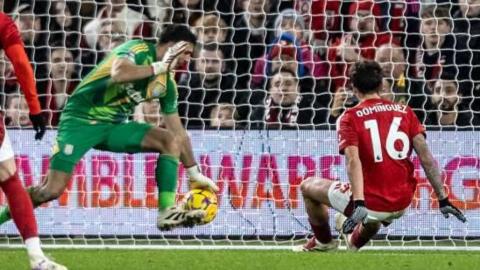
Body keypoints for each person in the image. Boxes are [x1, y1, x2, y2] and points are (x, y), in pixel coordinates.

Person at [0, 24, 219, 232]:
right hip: (80, 120)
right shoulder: (137, 48)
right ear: (172, 45)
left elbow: (178, 132)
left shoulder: (166, 84)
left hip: (114, 126)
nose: (187, 60)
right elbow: (119, 73)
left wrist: (194, 172)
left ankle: (166, 211)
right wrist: (159, 66)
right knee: (50, 191)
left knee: (169, 141)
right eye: (186, 53)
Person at [294, 61, 466, 252]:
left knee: (307, 186)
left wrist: (359, 202)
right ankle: (354, 243)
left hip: (371, 203)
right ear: (381, 85)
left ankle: (323, 243)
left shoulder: (349, 117)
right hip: (402, 202)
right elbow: (427, 158)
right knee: (374, 216)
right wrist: (442, 198)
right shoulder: (405, 112)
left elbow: (353, 161)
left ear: (353, 88)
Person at [0, 11, 66, 270]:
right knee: (8, 176)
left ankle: (37, 257)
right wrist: (35, 108)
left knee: (8, 175)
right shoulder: (2, 21)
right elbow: (21, 64)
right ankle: (37, 258)